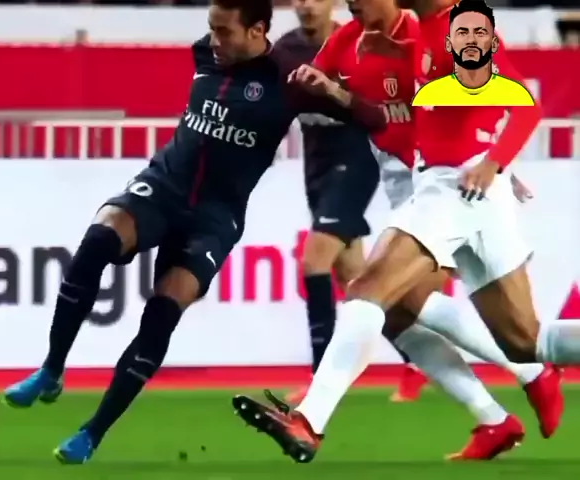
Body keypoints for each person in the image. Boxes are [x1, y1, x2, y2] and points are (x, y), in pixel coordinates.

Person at [3, 0, 386, 464]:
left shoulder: (290, 80)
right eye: (212, 29)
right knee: (98, 239)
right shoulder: (206, 53)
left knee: (164, 310)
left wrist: (337, 93)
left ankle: (92, 433)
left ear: (257, 31)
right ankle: (51, 369)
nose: (214, 40)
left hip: (215, 216)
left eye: (225, 31)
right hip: (163, 186)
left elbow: (373, 117)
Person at [231, 0, 567, 463]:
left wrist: (495, 163)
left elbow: (501, 106)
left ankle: (309, 422)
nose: (352, 3)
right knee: (513, 336)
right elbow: (327, 96)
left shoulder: (439, 29)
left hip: (448, 185)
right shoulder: (358, 40)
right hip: (423, 181)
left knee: (371, 292)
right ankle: (504, 406)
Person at [279, 0, 428, 405]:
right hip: (318, 166)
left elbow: (381, 105)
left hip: (356, 159)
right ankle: (418, 360)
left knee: (314, 261)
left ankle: (320, 377)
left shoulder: (356, 40)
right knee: (357, 282)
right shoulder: (286, 49)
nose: (307, 5)